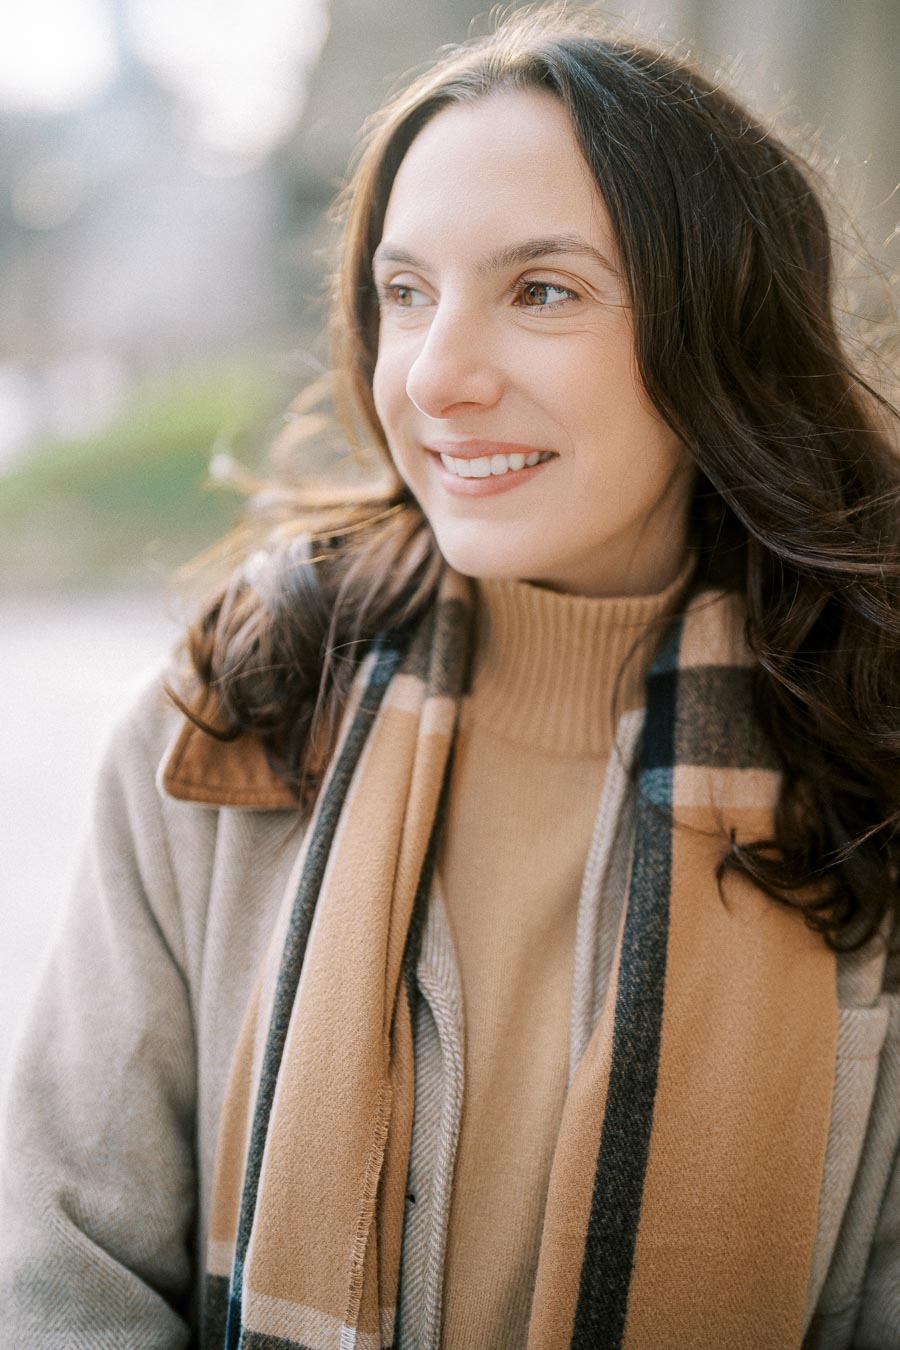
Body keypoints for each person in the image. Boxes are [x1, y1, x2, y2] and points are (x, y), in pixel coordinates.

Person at [1, 6, 898, 1347]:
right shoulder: (231, 723)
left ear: (720, 335)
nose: (437, 374)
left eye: (543, 289)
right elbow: (64, 1272)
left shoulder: (866, 759)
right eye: (405, 292)